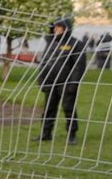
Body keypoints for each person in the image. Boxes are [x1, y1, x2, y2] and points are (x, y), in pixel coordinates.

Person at [37, 17, 87, 145]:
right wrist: (42, 80)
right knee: (49, 108)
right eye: (54, 27)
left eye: (59, 27)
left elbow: (79, 66)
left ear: (66, 28)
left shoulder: (76, 44)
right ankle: (45, 133)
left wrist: (74, 83)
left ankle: (72, 134)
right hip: (51, 81)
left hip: (66, 82)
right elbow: (44, 63)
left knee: (68, 108)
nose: (55, 29)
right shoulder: (50, 43)